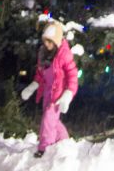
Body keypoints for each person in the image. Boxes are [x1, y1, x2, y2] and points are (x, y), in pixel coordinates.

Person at [20, 19, 78, 157]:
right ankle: (64, 141)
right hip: (47, 93)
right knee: (52, 121)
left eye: (50, 41)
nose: (47, 44)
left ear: (56, 41)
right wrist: (33, 86)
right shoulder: (43, 54)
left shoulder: (64, 55)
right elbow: (40, 74)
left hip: (58, 95)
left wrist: (68, 94)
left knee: (48, 119)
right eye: (45, 40)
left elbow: (73, 75)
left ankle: (44, 148)